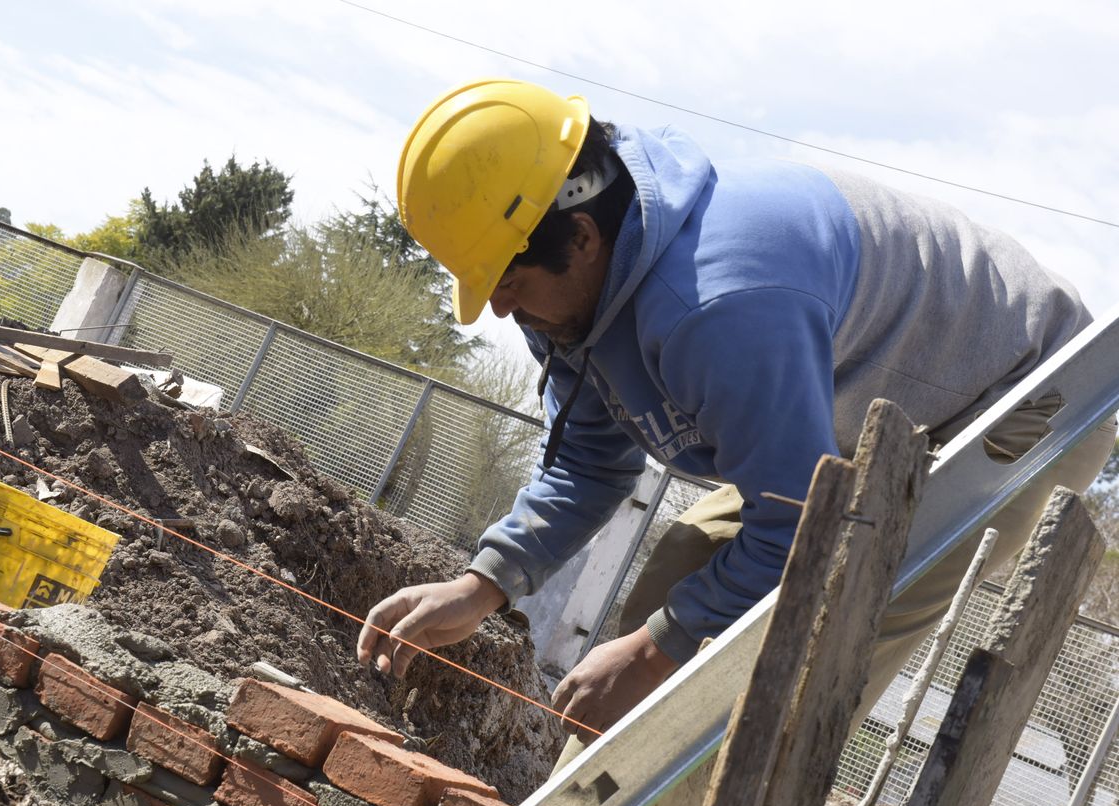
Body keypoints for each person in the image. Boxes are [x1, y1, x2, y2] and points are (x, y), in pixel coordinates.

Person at [355, 77, 1115, 759]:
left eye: (508, 280)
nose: (498, 306)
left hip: (1023, 403)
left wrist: (658, 653)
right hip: (847, 408)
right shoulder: (574, 287)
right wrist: (485, 584)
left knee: (804, 659)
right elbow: (591, 462)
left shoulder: (715, 304)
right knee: (674, 592)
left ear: (581, 239)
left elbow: (793, 528)